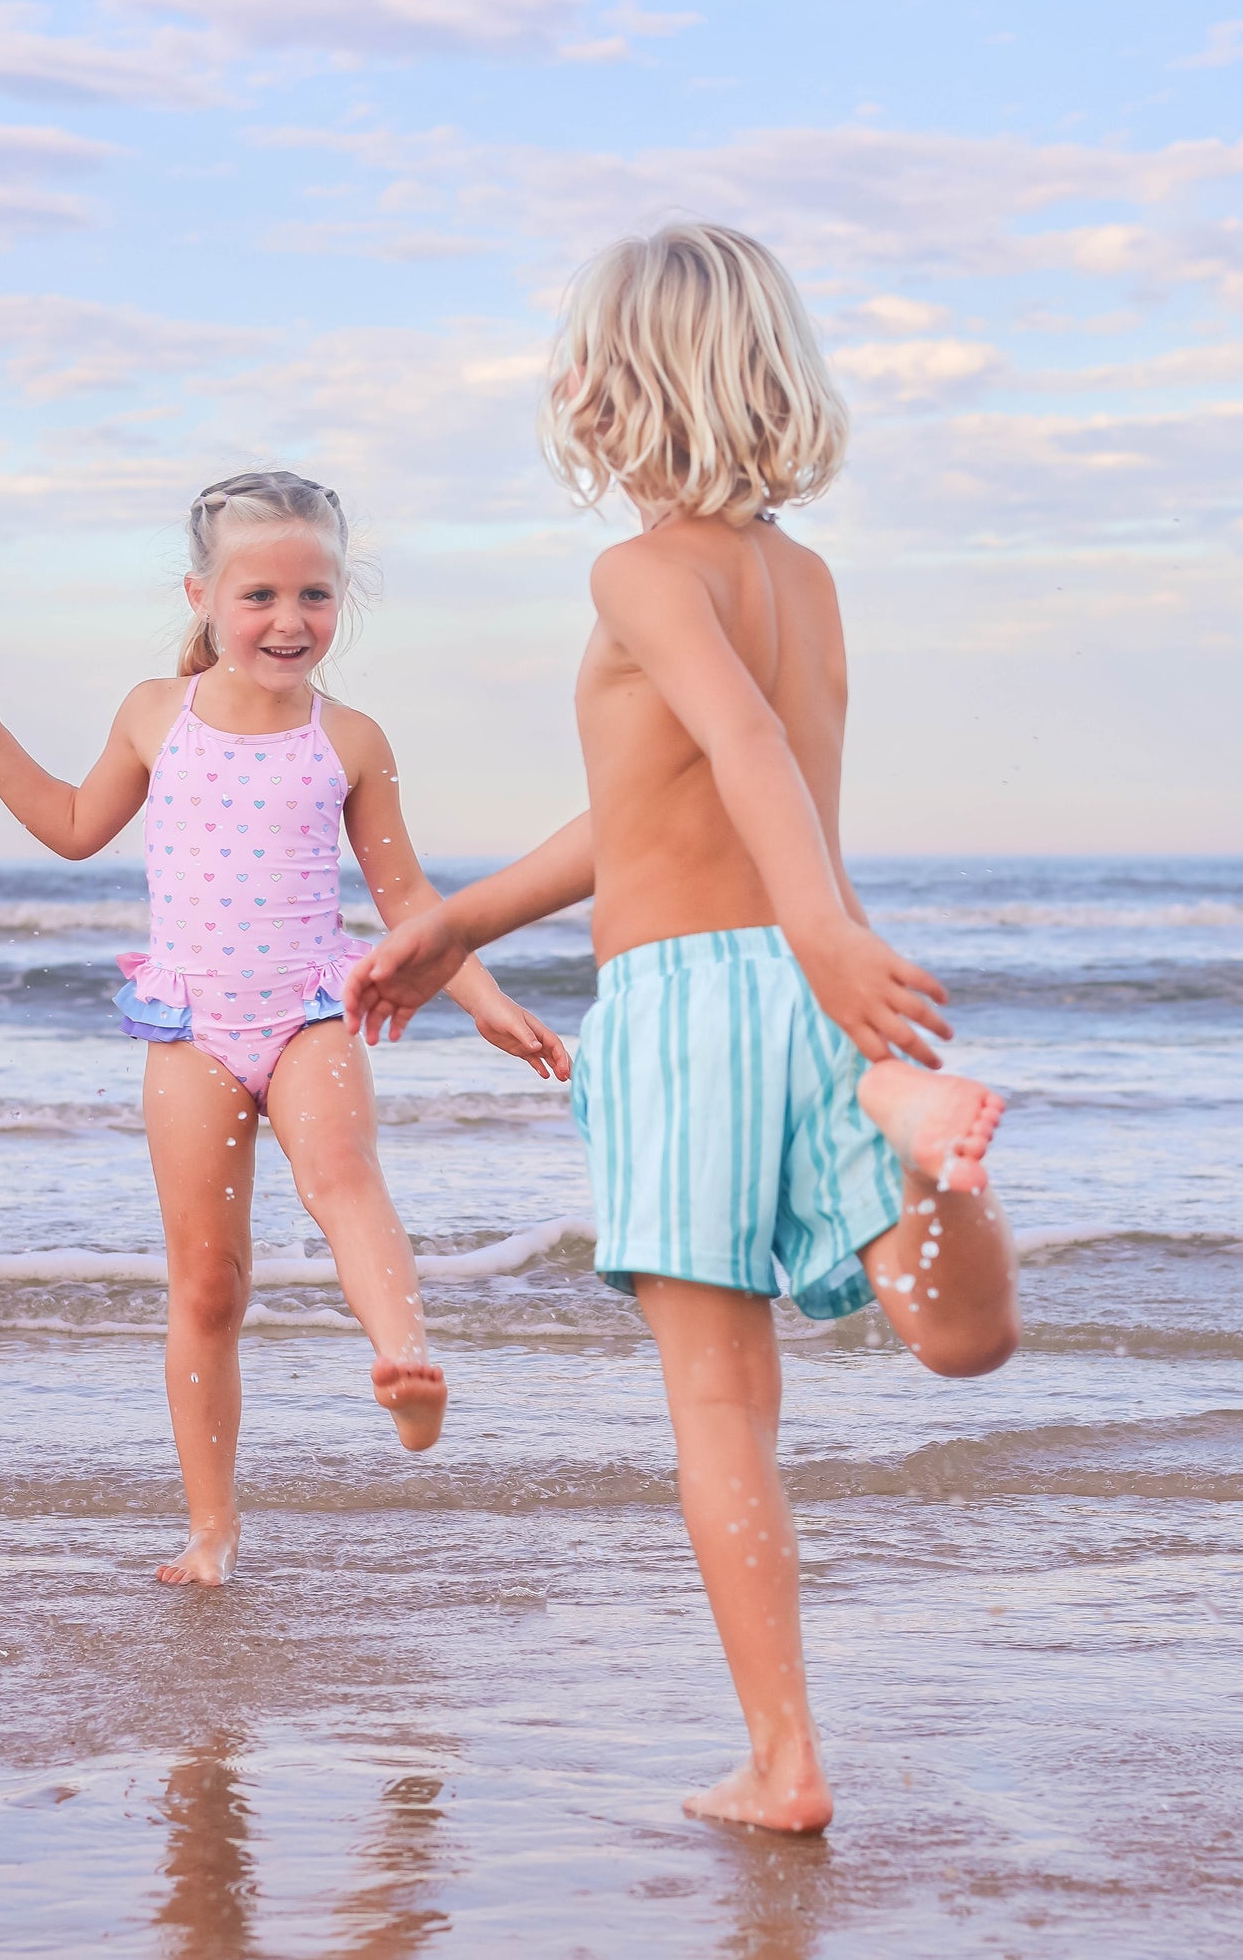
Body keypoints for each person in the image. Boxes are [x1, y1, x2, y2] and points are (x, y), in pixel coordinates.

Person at [344, 228, 1020, 1833]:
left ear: (614, 386)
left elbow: (739, 745)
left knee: (720, 1399)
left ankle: (783, 1758)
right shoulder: (801, 574)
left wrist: (823, 924)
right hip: (808, 1004)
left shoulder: (637, 569)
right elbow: (660, 796)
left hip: (695, 997)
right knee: (958, 1337)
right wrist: (458, 920)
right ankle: (935, 1161)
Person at [0, 469, 568, 1587]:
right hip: (189, 1023)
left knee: (339, 1173)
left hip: (312, 1002)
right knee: (208, 1285)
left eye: (314, 595)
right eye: (259, 595)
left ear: (341, 600)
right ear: (202, 597)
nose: (288, 620)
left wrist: (485, 1002)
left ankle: (405, 1361)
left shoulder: (352, 738)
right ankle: (211, 1530)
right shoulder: (152, 713)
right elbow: (75, 826)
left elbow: (408, 900)